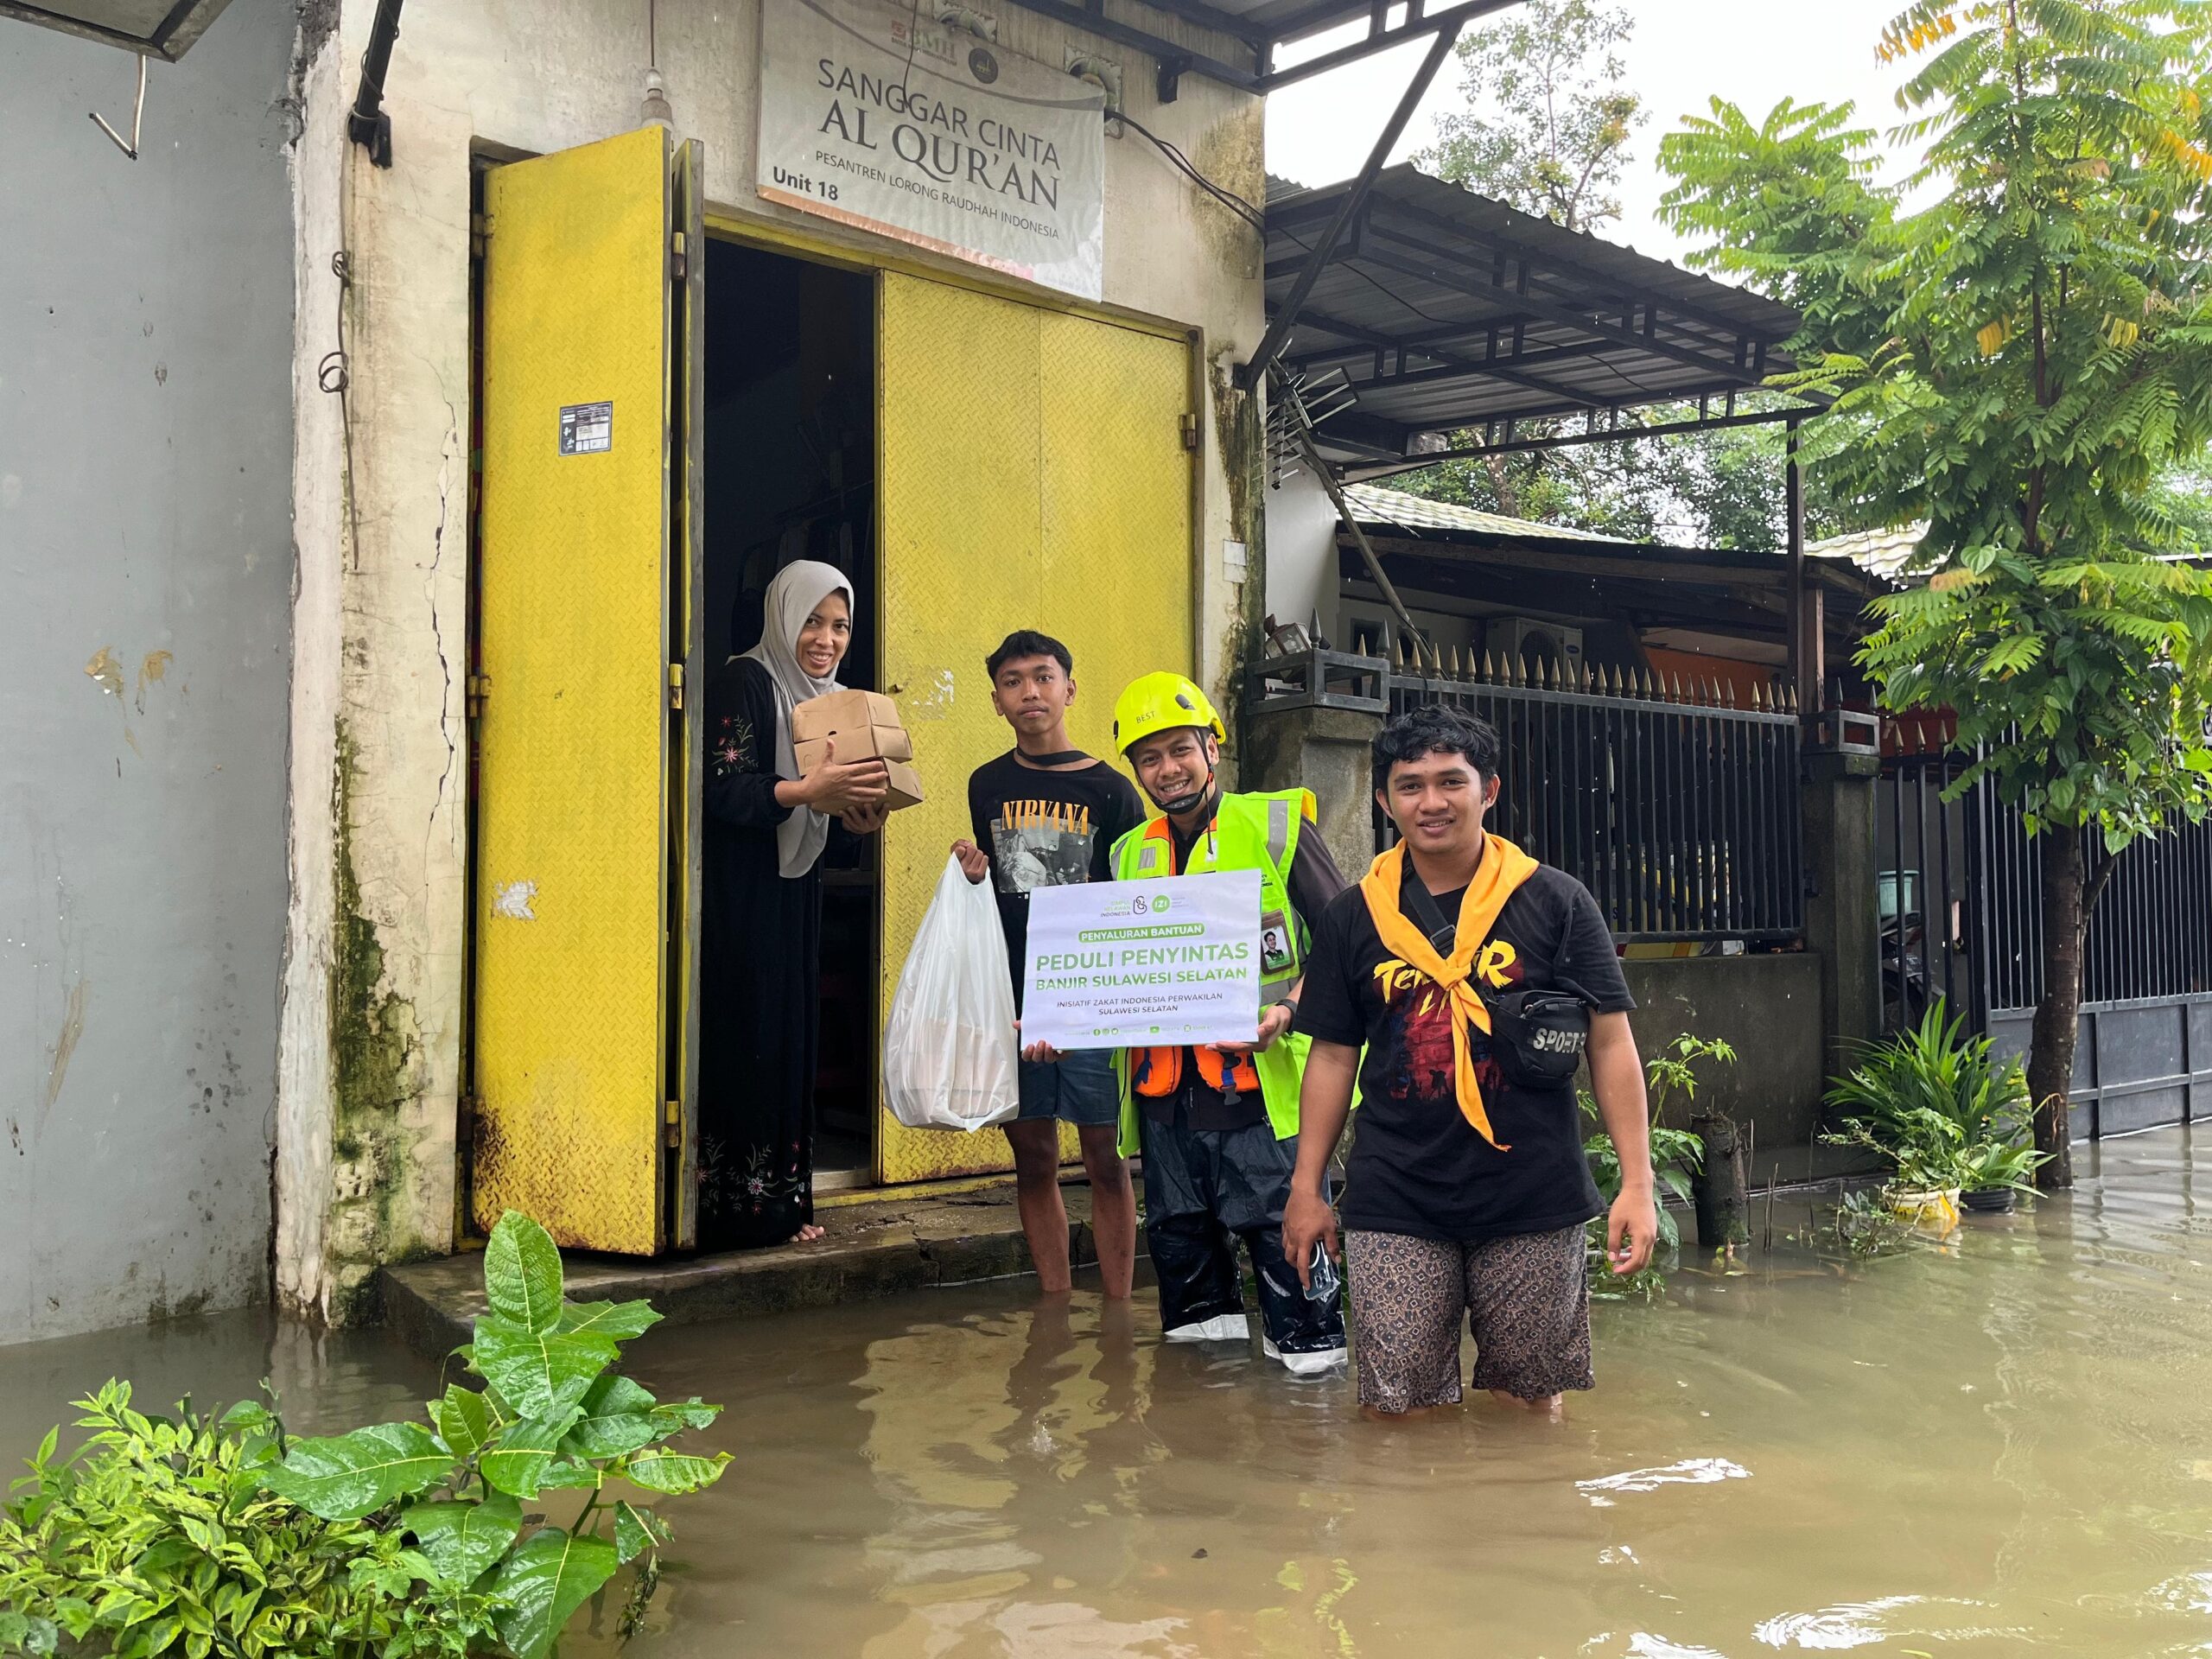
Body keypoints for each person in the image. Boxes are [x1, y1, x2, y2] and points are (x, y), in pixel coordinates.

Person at [1282, 703, 1656, 1418]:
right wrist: (1307, 1188)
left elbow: (1610, 1043)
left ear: (1489, 790)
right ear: (1386, 801)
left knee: (1528, 1404)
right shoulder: (1354, 916)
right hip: (1396, 1190)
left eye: (1450, 782)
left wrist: (1636, 1183)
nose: (1431, 802)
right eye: (1410, 785)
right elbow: (1331, 1055)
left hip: (1531, 1189)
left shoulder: (1554, 901)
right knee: (1399, 1410)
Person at [1102, 671, 1350, 1375]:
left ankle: (1310, 1434)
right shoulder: (1128, 855)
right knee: (1192, 1323)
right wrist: (1064, 1020)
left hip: (1262, 1105)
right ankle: (1202, 1451)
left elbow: (1343, 944)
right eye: (1149, 758)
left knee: (1299, 1302)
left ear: (1214, 747)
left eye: (1181, 749)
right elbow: (1107, 972)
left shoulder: (1275, 825)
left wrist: (1291, 1010)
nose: (1168, 769)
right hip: (1166, 1110)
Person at [699, 560, 889, 1249]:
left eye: (840, 626)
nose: (826, 639)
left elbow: (824, 821)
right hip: (743, 894)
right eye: (812, 620)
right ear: (782, 616)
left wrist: (854, 820)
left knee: (789, 1038)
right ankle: (731, 1210)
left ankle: (784, 1204)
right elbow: (722, 789)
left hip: (793, 892)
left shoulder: (827, 704)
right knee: (746, 1034)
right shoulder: (744, 680)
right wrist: (806, 793)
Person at [951, 632, 1143, 1300]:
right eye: (1012, 681)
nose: (1029, 692)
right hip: (1012, 991)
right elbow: (995, 891)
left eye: (1042, 677)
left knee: (1105, 1156)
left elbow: (1136, 897)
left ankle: (1117, 1309)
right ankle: (1056, 1305)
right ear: (998, 701)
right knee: (1032, 1156)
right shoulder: (986, 784)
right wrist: (972, 874)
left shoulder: (1112, 790)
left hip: (1091, 995)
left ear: (1069, 689)